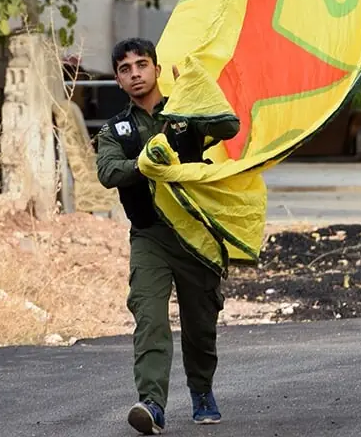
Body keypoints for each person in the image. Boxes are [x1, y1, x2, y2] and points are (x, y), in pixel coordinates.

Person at [96, 37, 240, 435]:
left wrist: (197, 92)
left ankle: (202, 391)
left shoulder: (183, 111)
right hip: (150, 236)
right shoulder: (115, 129)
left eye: (142, 64)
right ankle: (152, 404)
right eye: (125, 69)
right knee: (149, 317)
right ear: (118, 80)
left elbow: (229, 125)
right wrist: (144, 165)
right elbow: (109, 172)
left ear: (157, 69)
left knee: (201, 322)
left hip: (194, 235)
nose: (135, 73)